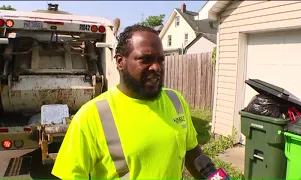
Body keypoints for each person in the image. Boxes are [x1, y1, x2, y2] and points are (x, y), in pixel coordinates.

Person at [51, 24, 206, 179]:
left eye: (160, 60)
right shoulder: (92, 116)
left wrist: (215, 176)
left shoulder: (175, 101)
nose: (157, 67)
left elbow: (193, 154)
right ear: (120, 61)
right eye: (146, 59)